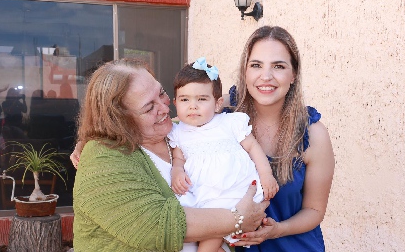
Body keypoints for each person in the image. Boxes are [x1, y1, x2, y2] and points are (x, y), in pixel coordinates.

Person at [71, 58, 269, 252]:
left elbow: (213, 101)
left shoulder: (181, 131)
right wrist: (238, 218)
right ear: (118, 120)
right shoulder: (102, 157)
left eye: (162, 93)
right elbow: (155, 226)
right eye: (149, 107)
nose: (165, 107)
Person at [225, 26, 335, 251]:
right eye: (256, 65)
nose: (266, 76)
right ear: (245, 71)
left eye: (278, 66)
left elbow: (314, 211)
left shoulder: (313, 134)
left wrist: (277, 230)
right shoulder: (221, 119)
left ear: (293, 74)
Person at [168, 57, 279, 252]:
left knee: (213, 238)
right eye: (185, 100)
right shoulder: (178, 132)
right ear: (175, 102)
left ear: (218, 103)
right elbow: (178, 158)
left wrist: (266, 175)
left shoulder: (229, 123)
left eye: (202, 99)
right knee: (211, 230)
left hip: (235, 189)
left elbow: (253, 148)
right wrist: (177, 172)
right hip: (207, 194)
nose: (193, 106)